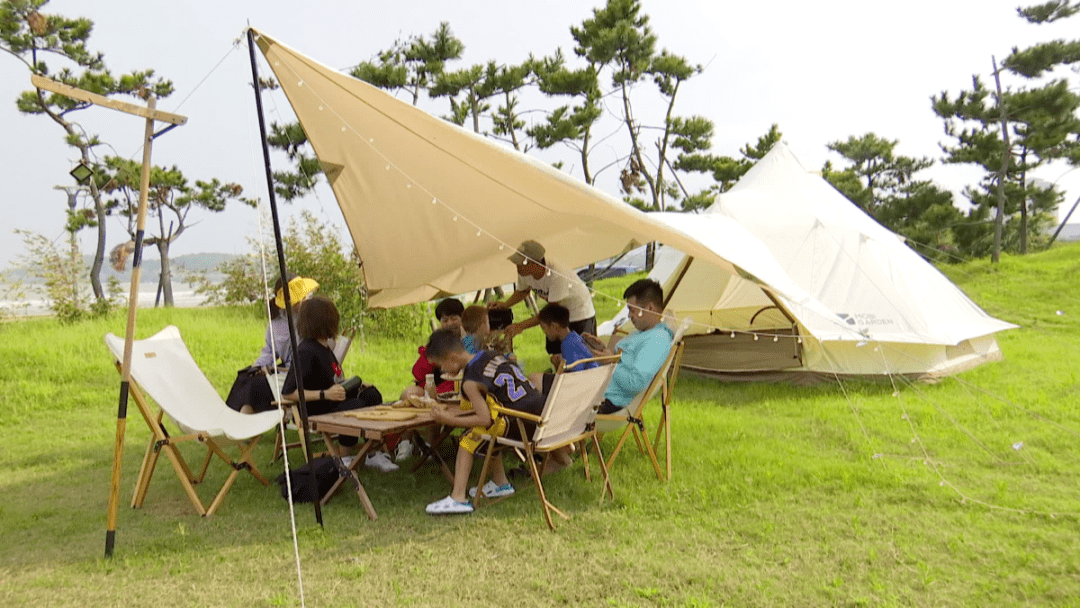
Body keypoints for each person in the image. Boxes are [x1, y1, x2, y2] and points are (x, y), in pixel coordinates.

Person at [423, 328, 545, 515]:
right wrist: (454, 414)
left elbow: (484, 418)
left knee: (469, 438)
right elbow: (491, 405)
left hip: (520, 423)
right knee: (489, 430)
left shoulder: (470, 381)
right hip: (537, 416)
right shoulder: (491, 355)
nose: (442, 371)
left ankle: (458, 498)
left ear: (453, 358)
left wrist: (449, 419)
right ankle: (500, 483)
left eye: (441, 365)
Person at [280, 296, 395, 472]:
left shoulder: (325, 348)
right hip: (316, 409)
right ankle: (345, 458)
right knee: (354, 406)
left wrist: (357, 385)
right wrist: (324, 394)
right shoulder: (305, 351)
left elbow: (334, 380)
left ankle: (374, 453)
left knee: (371, 394)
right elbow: (288, 392)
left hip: (333, 402)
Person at [225, 274, 319, 414]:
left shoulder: (312, 316)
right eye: (296, 300)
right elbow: (270, 352)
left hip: (300, 374)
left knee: (255, 386)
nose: (301, 302)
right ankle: (232, 418)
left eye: (302, 297)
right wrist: (257, 367)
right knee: (244, 377)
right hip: (284, 370)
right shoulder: (276, 323)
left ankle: (241, 424)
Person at [488, 239, 596, 359]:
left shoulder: (557, 274)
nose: (516, 266)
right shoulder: (524, 272)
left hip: (579, 314)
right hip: (556, 315)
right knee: (556, 356)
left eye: (520, 263)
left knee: (581, 356)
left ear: (535, 264)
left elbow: (551, 312)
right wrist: (505, 305)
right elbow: (523, 291)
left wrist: (520, 326)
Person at [583, 279, 673, 415]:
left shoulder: (657, 340)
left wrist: (611, 362)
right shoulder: (644, 333)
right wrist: (604, 351)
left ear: (649, 307)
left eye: (632, 310)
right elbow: (622, 360)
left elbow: (635, 383)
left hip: (605, 401)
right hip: (596, 391)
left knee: (543, 399)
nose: (629, 316)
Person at [528, 303, 599, 397]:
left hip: (586, 387)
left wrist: (559, 369)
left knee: (536, 379)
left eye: (544, 328)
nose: (544, 333)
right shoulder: (574, 336)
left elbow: (575, 375)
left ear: (554, 326)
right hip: (593, 380)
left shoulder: (568, 344)